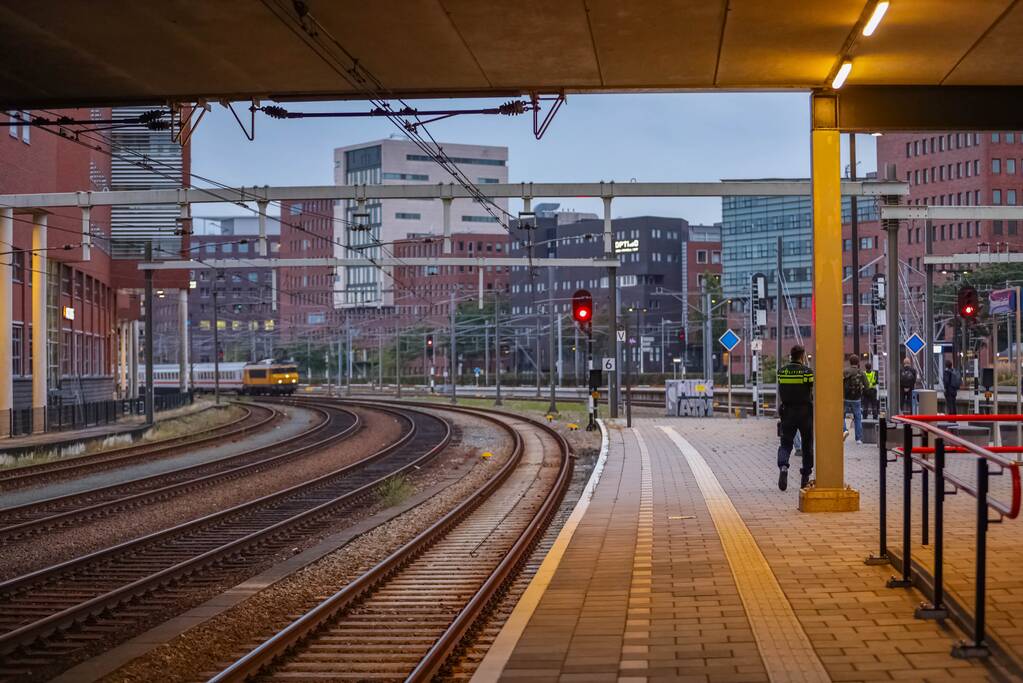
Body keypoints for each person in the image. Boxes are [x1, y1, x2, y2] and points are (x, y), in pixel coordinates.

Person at [776, 345, 814, 491]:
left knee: (785, 443)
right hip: (804, 412)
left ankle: (784, 466)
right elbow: (810, 388)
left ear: (790, 355)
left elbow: (782, 389)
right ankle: (805, 476)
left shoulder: (782, 372)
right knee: (806, 444)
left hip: (788, 411)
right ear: (802, 355)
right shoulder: (807, 372)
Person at [842, 355, 868, 443]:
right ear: (858, 362)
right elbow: (867, 385)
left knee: (841, 416)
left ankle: (844, 430)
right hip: (857, 399)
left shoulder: (845, 371)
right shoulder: (861, 373)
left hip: (845, 398)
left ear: (850, 362)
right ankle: (859, 439)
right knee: (857, 418)